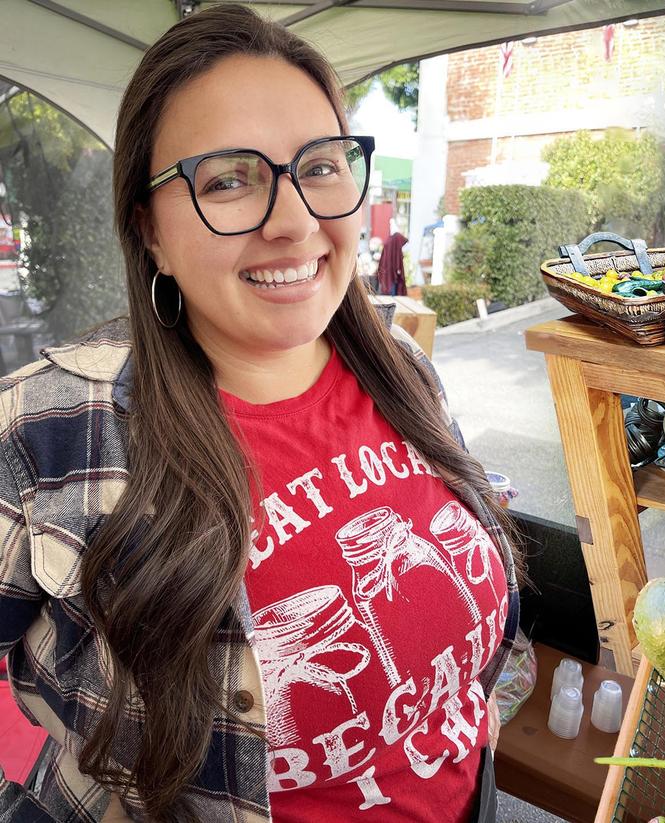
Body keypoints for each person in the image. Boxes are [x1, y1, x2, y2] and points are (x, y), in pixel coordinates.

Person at [0, 5, 519, 822]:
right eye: (228, 179)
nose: (295, 222)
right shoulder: (45, 433)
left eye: (320, 166)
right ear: (151, 230)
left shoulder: (405, 371)